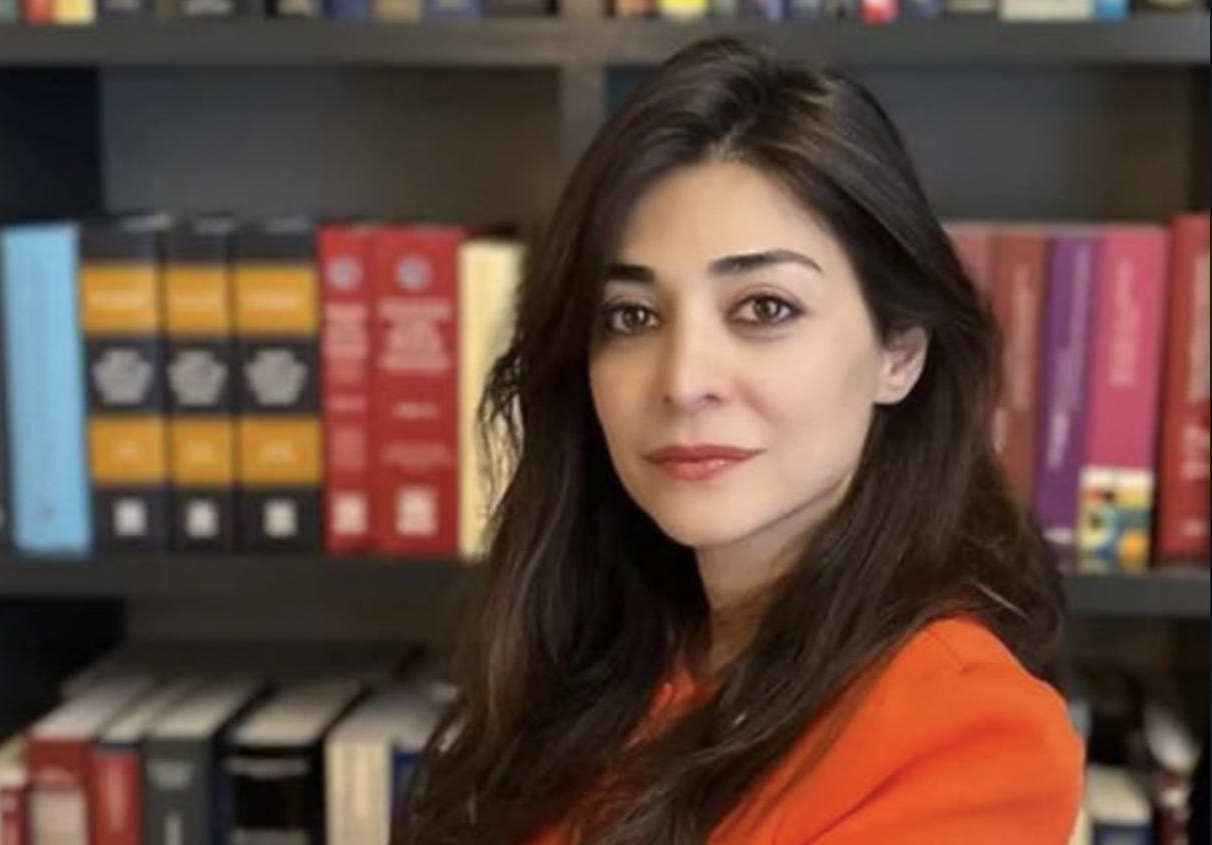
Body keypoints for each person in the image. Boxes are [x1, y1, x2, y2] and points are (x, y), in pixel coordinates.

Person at [395, 36, 1085, 845]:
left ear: (898, 352)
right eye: (632, 316)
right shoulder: (603, 657)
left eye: (763, 308)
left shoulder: (969, 731)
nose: (683, 379)